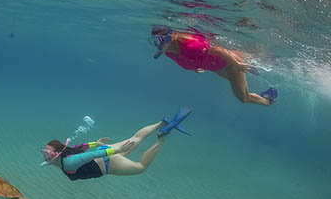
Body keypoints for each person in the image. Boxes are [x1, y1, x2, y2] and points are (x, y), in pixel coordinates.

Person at [40, 108, 192, 181]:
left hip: (109, 163)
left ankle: (162, 137)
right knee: (135, 138)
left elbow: (92, 155)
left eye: (47, 153)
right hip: (106, 152)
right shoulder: (67, 153)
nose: (45, 156)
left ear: (58, 155)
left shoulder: (69, 162)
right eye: (44, 153)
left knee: (141, 168)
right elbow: (81, 147)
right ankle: (162, 122)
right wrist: (96, 143)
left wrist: (118, 149)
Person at [149, 26, 278, 105]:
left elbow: (219, 50)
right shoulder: (169, 53)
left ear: (169, 39)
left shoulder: (191, 46)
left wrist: (237, 64)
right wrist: (196, 67)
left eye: (159, 41)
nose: (158, 46)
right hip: (216, 67)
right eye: (154, 42)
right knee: (240, 79)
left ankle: (268, 100)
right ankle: (252, 64)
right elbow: (188, 60)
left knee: (243, 97)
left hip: (228, 64)